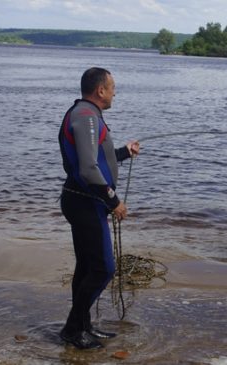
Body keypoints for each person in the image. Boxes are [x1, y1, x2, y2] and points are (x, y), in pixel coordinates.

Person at [58, 67, 140, 349]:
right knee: (104, 268)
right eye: (112, 87)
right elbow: (89, 168)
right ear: (100, 91)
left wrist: (124, 153)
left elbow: (98, 160)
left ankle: (83, 326)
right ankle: (72, 328)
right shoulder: (85, 116)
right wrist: (114, 202)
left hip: (84, 201)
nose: (115, 92)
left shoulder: (88, 115)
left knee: (86, 268)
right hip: (84, 203)